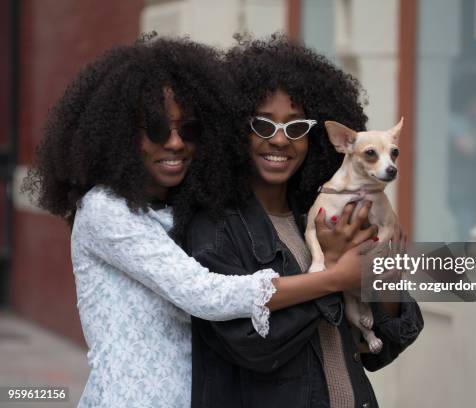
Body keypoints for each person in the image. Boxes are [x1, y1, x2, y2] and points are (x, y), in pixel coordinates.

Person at [23, 36, 370, 407]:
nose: (175, 143)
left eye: (189, 130)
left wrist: (382, 224)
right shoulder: (106, 209)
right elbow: (204, 295)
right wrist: (332, 278)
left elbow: (386, 332)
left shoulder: (191, 208)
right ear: (121, 134)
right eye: (156, 129)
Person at [175, 35, 424, 408]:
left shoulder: (324, 215)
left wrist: (382, 277)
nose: (279, 140)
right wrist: (335, 273)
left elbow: (381, 350)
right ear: (232, 130)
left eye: (295, 128)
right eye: (262, 125)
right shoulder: (213, 231)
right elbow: (253, 347)